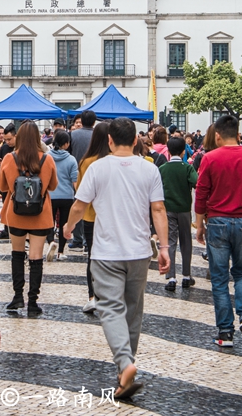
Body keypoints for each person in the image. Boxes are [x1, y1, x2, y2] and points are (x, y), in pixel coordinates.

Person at [64, 118, 170, 400]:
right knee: (133, 313)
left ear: (109, 140)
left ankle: (125, 364)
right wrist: (164, 247)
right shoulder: (149, 168)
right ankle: (125, 374)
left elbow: (80, 204)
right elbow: (158, 209)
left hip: (106, 252)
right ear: (136, 140)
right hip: (139, 253)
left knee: (110, 309)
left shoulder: (97, 168)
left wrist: (68, 226)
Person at [194, 114, 242, 346]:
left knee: (219, 277)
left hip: (217, 222)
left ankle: (225, 332)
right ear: (238, 133)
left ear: (217, 135)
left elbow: (202, 193)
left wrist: (199, 224)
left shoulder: (209, 158)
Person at [0, 122, 58, 314]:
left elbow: (3, 187)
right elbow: (53, 186)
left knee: (17, 253)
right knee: (36, 257)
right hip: (40, 214)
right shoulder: (47, 159)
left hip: (16, 213)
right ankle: (33, 302)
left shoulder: (9, 158)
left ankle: (17, 297)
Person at [73, 123, 112, 313]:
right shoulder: (115, 160)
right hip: (111, 216)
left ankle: (92, 296)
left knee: (93, 257)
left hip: (90, 215)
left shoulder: (86, 161)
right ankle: (110, 296)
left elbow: (81, 192)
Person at [159, 136, 199, 291]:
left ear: (168, 151)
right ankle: (187, 276)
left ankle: (171, 277)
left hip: (167, 209)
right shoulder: (187, 168)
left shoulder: (162, 169)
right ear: (183, 152)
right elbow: (196, 182)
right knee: (186, 241)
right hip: (184, 209)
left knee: (170, 241)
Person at [45, 130, 78, 261]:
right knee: (64, 223)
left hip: (50, 195)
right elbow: (74, 180)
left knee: (49, 222)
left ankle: (51, 242)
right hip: (66, 196)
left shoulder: (47, 157)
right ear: (66, 144)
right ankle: (60, 252)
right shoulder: (71, 159)